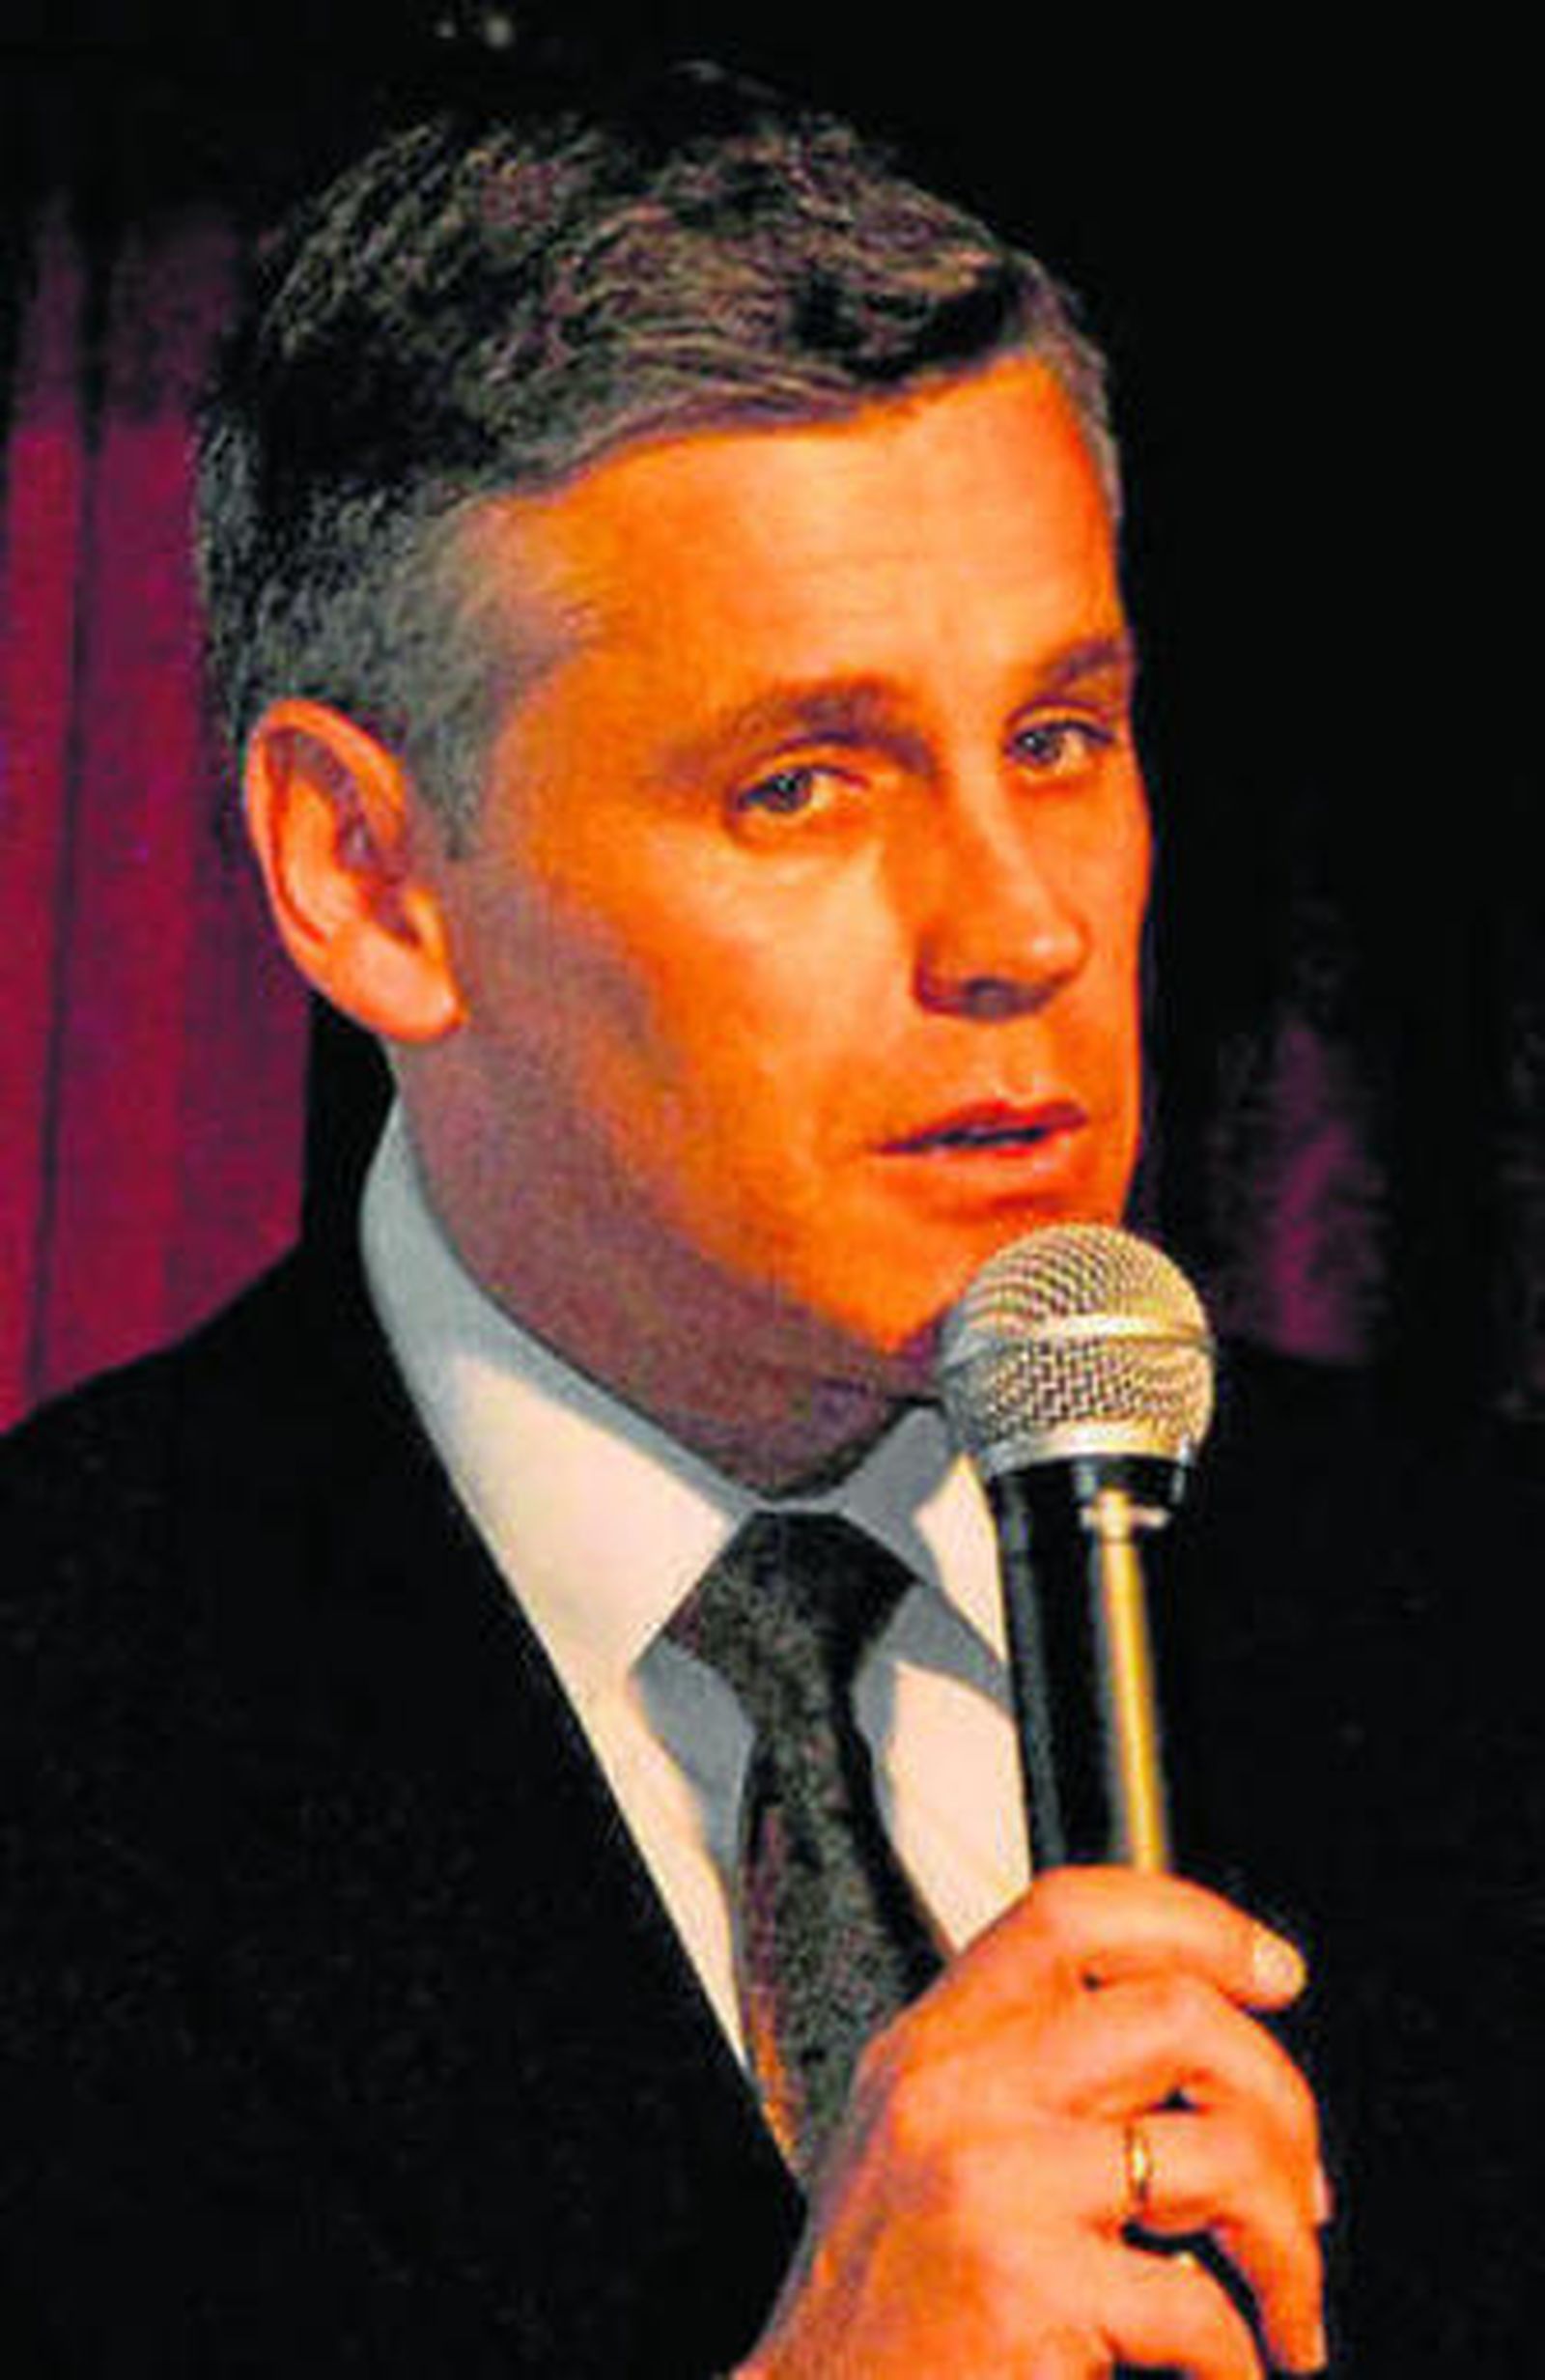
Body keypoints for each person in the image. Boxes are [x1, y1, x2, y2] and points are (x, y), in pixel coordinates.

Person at [0, 60, 1524, 2376]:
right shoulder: (69, 1733)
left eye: (1058, 739)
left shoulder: (1477, 1624)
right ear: (365, 873)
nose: (1015, 928)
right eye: (803, 783)